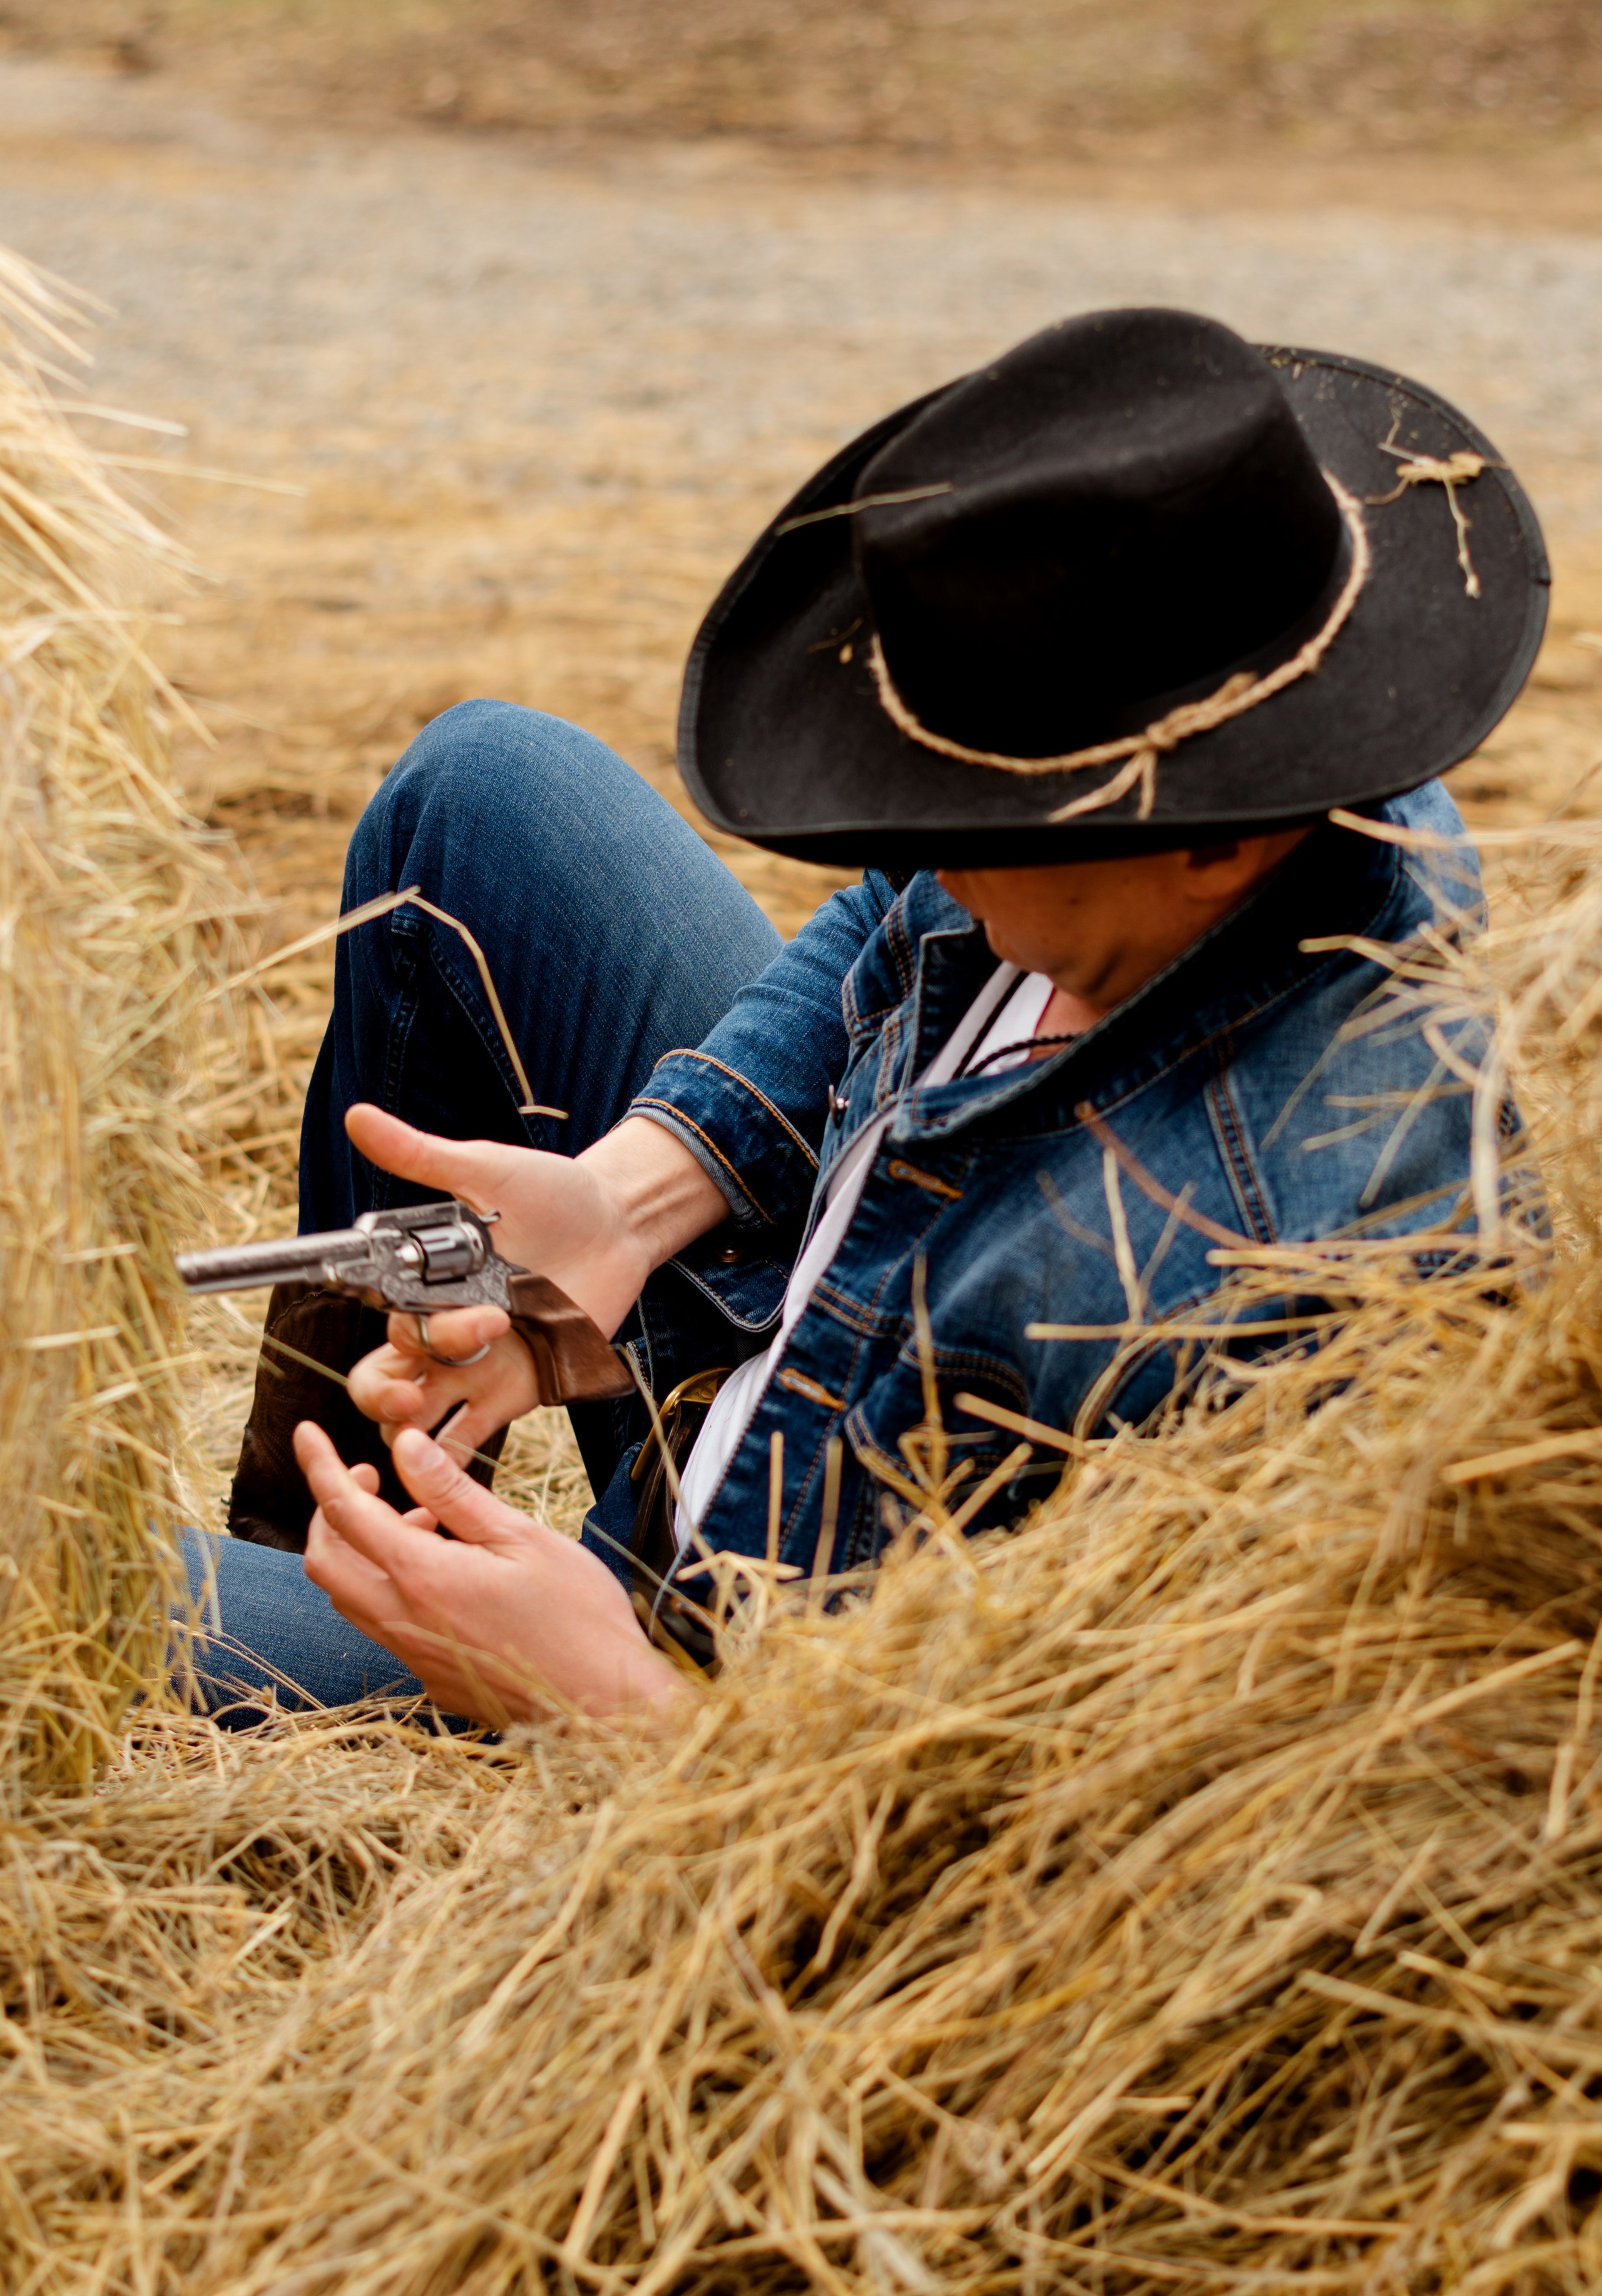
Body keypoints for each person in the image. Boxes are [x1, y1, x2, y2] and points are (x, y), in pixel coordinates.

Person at [181, 306, 1548, 1728]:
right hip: (789, 1351)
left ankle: (367, 1662)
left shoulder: (1276, 1276)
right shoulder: (1250, 732)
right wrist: (626, 1208)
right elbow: (883, 929)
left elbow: (1058, 1828)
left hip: (701, 1660)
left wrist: (611, 1704)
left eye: (967, 824)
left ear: (1209, 831)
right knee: (481, 790)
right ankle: (321, 1547)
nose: (914, 854)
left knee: (57, 1600)